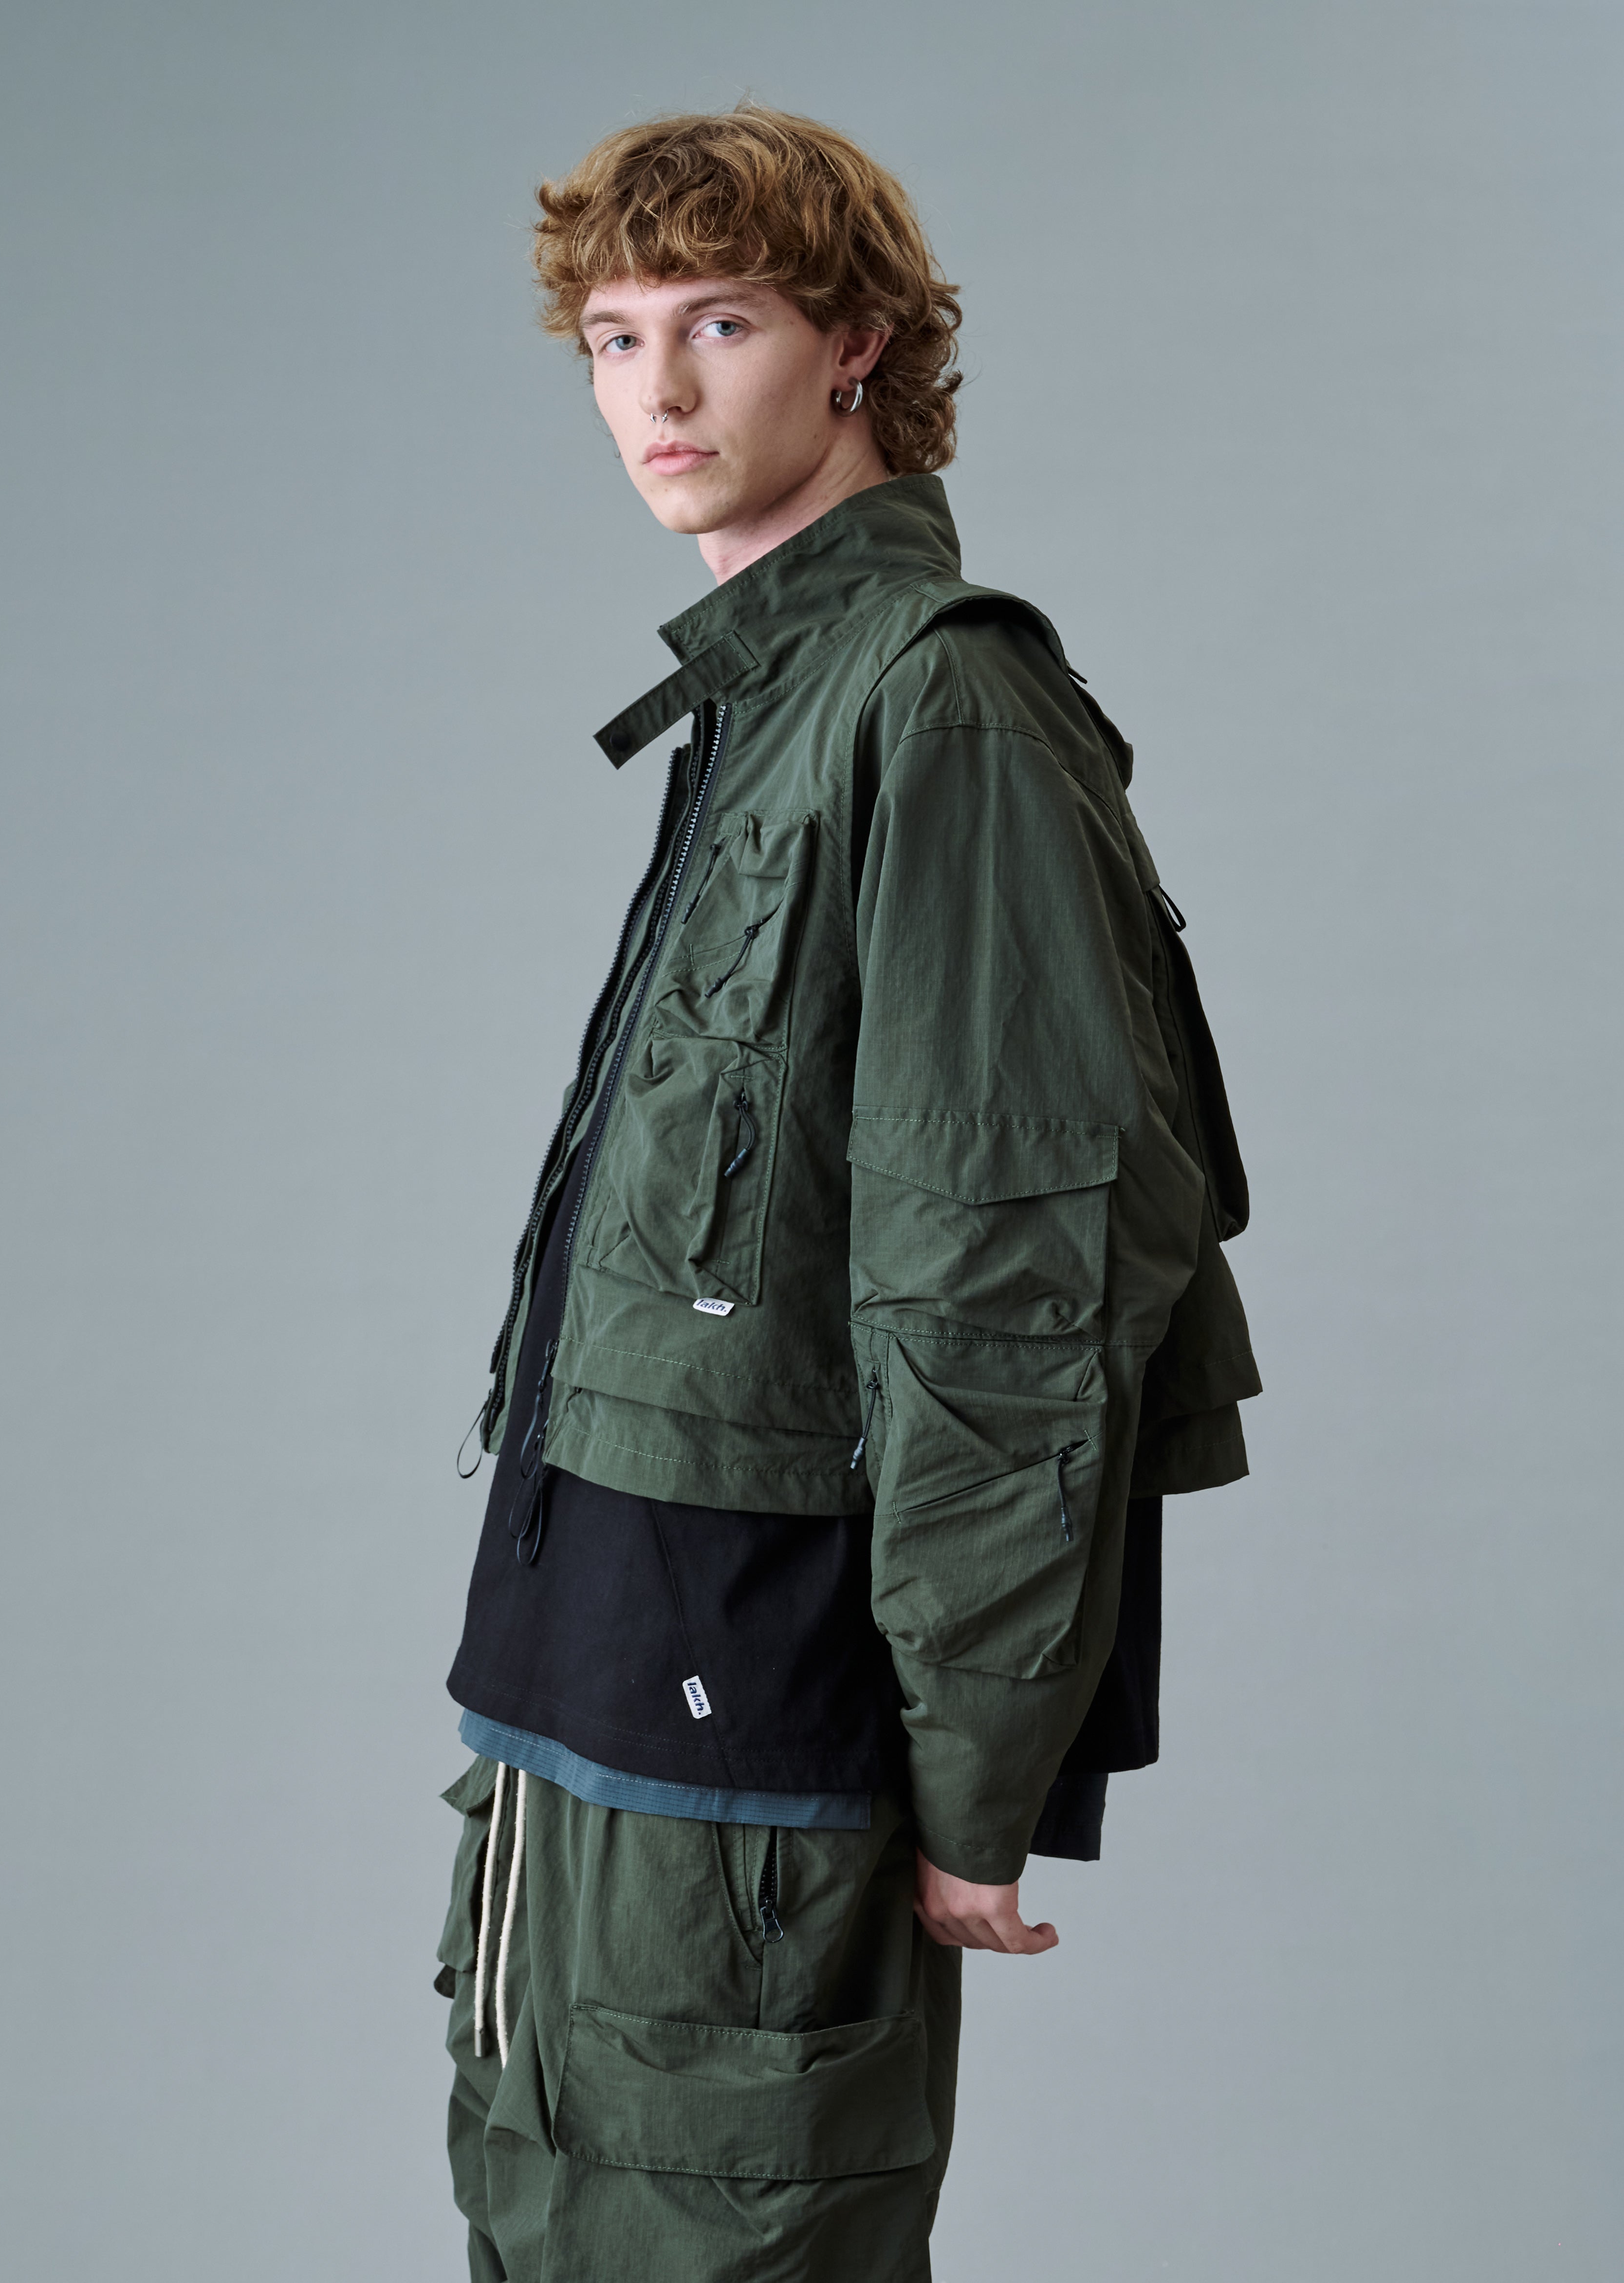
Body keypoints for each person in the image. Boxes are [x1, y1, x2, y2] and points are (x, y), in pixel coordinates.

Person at [433, 103, 1258, 2283]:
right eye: (615, 339)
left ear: (860, 345)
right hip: (579, 1689)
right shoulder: (769, 704)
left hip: (747, 1716)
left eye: (722, 323)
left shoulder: (939, 708)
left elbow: (1008, 1283)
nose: (659, 391)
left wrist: (980, 1763)